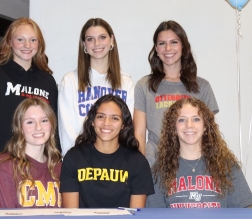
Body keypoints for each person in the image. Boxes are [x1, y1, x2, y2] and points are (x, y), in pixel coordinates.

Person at [0, 18, 60, 186]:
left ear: (39, 44)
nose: (27, 45)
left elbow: (54, 133)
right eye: (20, 39)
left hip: (38, 178)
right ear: (10, 42)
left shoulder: (47, 81)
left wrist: (55, 171)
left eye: (33, 40)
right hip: (1, 173)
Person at [134, 20, 219, 167]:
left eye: (174, 42)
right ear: (156, 48)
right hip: (155, 164)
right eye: (162, 43)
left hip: (193, 164)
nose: (168, 48)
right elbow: (139, 134)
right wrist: (140, 169)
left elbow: (210, 134)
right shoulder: (144, 85)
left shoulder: (202, 86)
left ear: (183, 46)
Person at [146, 98, 252, 208]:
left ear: (205, 126)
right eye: (182, 120)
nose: (189, 125)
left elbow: (246, 209)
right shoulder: (160, 170)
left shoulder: (227, 166)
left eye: (196, 119)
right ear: (173, 128)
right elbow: (154, 214)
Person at [60, 94, 154, 208]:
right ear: (92, 121)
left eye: (114, 118)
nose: (106, 123)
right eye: (100, 116)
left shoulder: (137, 162)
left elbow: (136, 214)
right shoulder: (73, 158)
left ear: (123, 124)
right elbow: (71, 214)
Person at [58, 18, 134, 156]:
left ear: (112, 40)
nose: (97, 43)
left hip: (117, 162)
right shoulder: (70, 81)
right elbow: (66, 131)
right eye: (90, 39)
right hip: (81, 161)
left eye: (102, 37)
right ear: (84, 44)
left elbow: (128, 128)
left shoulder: (126, 82)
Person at [0, 98, 62, 208]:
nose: (38, 127)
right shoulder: (3, 168)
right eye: (30, 122)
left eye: (44, 120)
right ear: (19, 128)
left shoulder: (60, 169)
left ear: (52, 125)